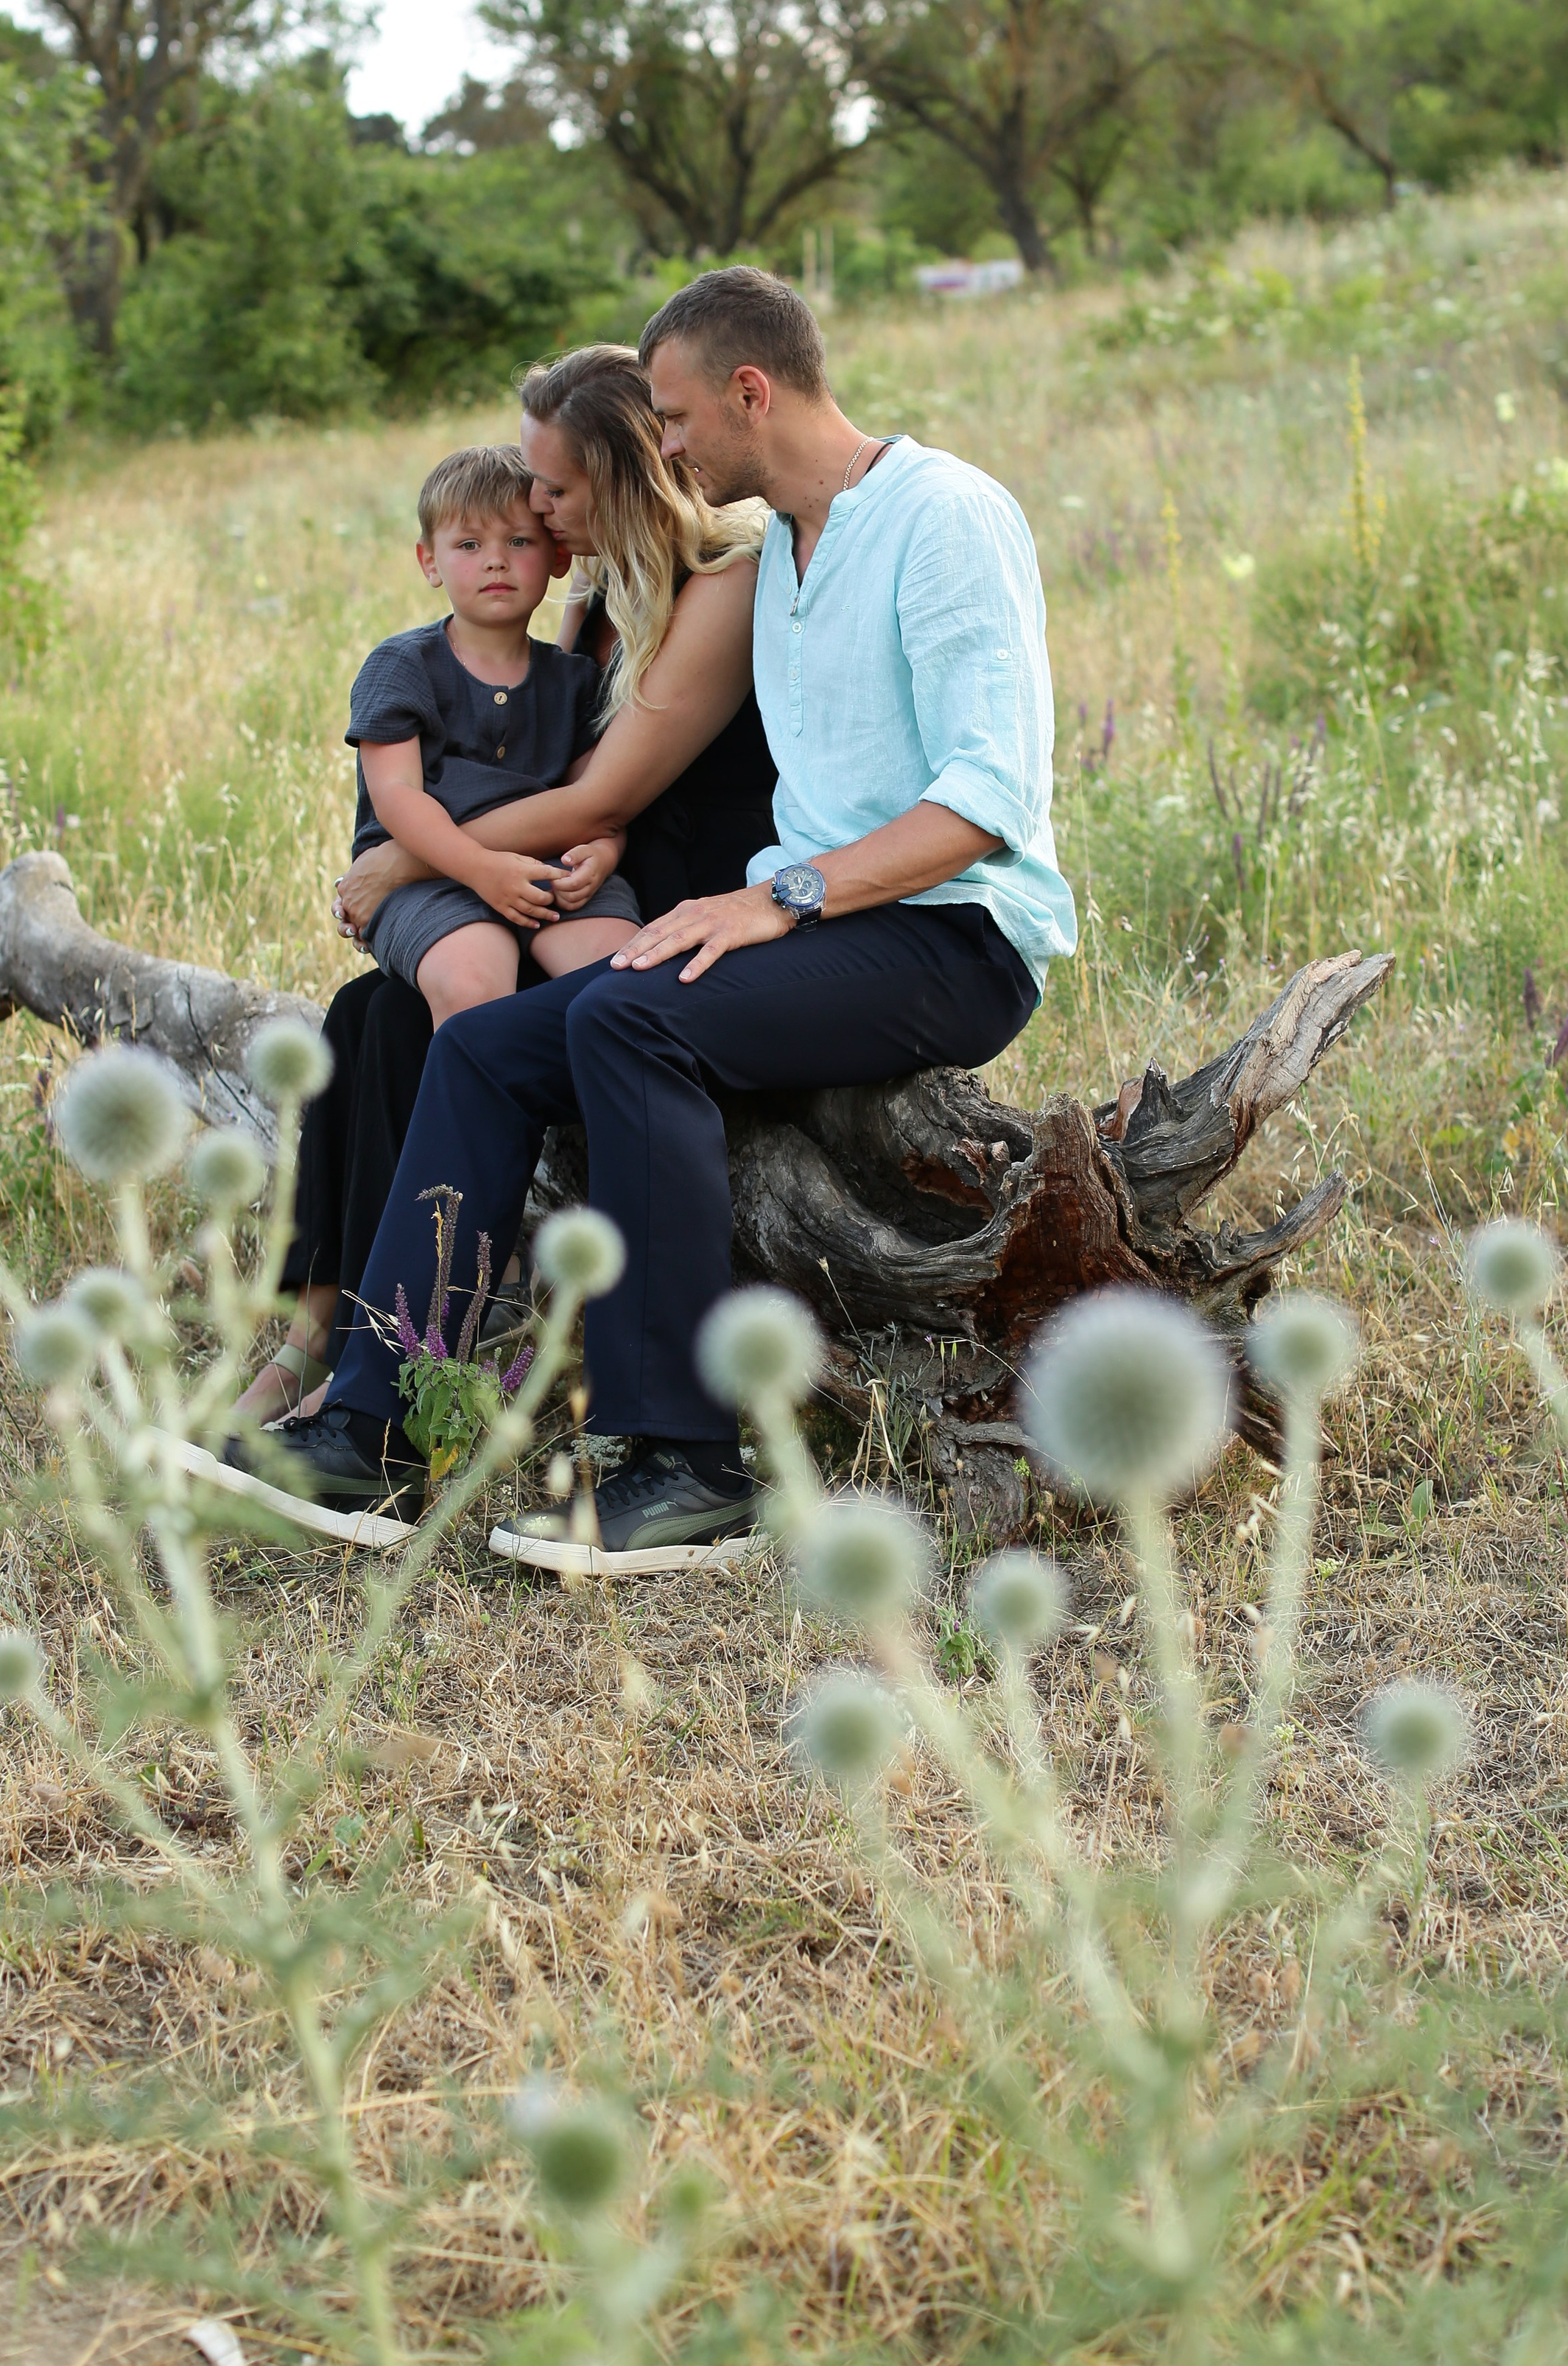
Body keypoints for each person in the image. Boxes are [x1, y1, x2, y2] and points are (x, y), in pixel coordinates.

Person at [215, 266, 1077, 1570]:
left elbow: (986, 803)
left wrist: (778, 896)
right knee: (485, 1043)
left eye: (673, 417)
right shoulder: (780, 553)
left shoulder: (944, 513)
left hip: (952, 932)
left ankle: (685, 1461)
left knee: (628, 1020)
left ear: (751, 390)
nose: (662, 444)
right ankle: (376, 1427)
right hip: (820, 921)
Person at [235, 349, 773, 1425]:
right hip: (556, 883)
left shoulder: (730, 579)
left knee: (455, 1034)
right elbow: (558, 780)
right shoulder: (596, 596)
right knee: (370, 1016)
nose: (535, 507)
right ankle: (336, 1331)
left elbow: (595, 799)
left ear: (622, 476)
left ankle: (417, 1334)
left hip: (677, 906)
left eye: (554, 491)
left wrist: (413, 856)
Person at [345, 440, 642, 1025]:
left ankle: (596, 1109)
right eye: (469, 544)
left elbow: (600, 799)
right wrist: (483, 869)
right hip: (428, 876)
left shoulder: (575, 679)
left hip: (549, 867)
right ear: (429, 561)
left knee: (624, 976)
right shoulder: (402, 666)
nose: (496, 561)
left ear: (558, 556)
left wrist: (604, 854)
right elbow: (398, 797)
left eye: (519, 541)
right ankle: (478, 1112)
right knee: (472, 984)